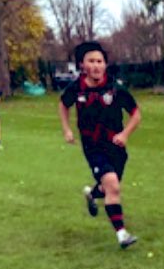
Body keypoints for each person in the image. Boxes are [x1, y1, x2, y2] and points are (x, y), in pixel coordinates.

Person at [59, 41, 142, 250]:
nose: (96, 65)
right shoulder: (76, 88)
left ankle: (92, 193)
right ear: (82, 65)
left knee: (108, 188)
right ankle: (122, 235)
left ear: (105, 64)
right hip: (93, 146)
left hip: (116, 146)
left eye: (100, 61)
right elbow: (63, 104)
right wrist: (67, 129)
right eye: (91, 61)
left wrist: (125, 134)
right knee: (113, 186)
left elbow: (136, 114)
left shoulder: (115, 88)